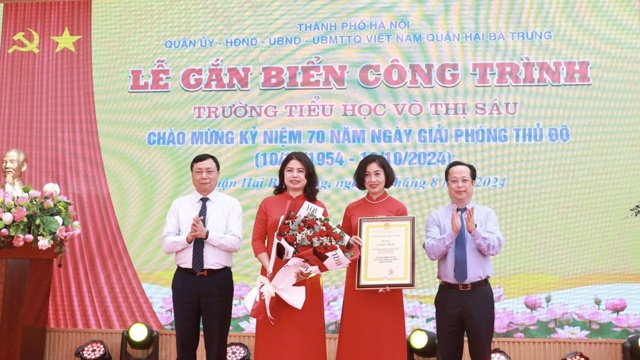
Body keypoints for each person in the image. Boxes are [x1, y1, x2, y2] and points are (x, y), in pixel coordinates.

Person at [162, 154, 243, 360]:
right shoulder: (179, 205)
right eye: (198, 172)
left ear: (217, 174)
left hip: (218, 281)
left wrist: (207, 235)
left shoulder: (230, 204)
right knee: (185, 342)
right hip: (185, 280)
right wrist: (188, 237)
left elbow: (235, 243)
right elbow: (166, 244)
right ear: (192, 175)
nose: (204, 176)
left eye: (209, 171)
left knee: (216, 344)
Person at [424, 160, 504, 360]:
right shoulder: (436, 217)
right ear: (447, 184)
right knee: (447, 354)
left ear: (473, 183)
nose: (459, 185)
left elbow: (494, 248)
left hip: (479, 294)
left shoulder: (486, 214)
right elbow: (432, 252)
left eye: (464, 180)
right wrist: (452, 233)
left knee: (481, 353)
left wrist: (474, 231)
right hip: (448, 295)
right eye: (454, 181)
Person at [251, 151, 327, 360]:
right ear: (282, 174)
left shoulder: (318, 207)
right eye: (290, 170)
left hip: (304, 279)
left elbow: (322, 247)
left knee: (304, 337)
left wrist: (307, 271)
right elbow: (257, 240)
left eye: (300, 171)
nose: (295, 175)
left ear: (308, 176)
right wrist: (269, 268)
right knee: (274, 336)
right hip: (272, 279)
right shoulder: (268, 203)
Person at [335, 154, 409, 360]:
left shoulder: (398, 208)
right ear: (361, 178)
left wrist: (393, 280)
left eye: (377, 173)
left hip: (388, 286)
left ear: (386, 176)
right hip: (358, 283)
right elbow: (343, 248)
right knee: (357, 337)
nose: (372, 179)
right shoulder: (352, 208)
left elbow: (402, 249)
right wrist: (350, 242)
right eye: (367, 175)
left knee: (386, 338)